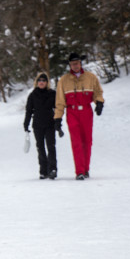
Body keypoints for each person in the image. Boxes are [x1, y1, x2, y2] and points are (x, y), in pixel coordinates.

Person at [54, 52, 105, 180]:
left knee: (87, 141)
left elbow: (98, 92)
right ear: (69, 65)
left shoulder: (91, 77)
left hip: (86, 112)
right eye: (72, 64)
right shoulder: (64, 80)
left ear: (80, 63)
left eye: (76, 63)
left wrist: (99, 102)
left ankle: (86, 169)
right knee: (76, 142)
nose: (75, 66)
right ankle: (79, 171)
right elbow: (60, 101)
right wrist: (58, 118)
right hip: (72, 112)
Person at [24, 72, 58, 180]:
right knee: (40, 147)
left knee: (51, 146)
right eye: (39, 80)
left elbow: (58, 107)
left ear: (47, 82)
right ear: (37, 82)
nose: (41, 82)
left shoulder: (52, 93)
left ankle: (53, 169)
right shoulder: (33, 95)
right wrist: (26, 124)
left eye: (43, 80)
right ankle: (43, 171)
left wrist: (58, 121)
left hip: (50, 123)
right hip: (37, 125)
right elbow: (29, 111)